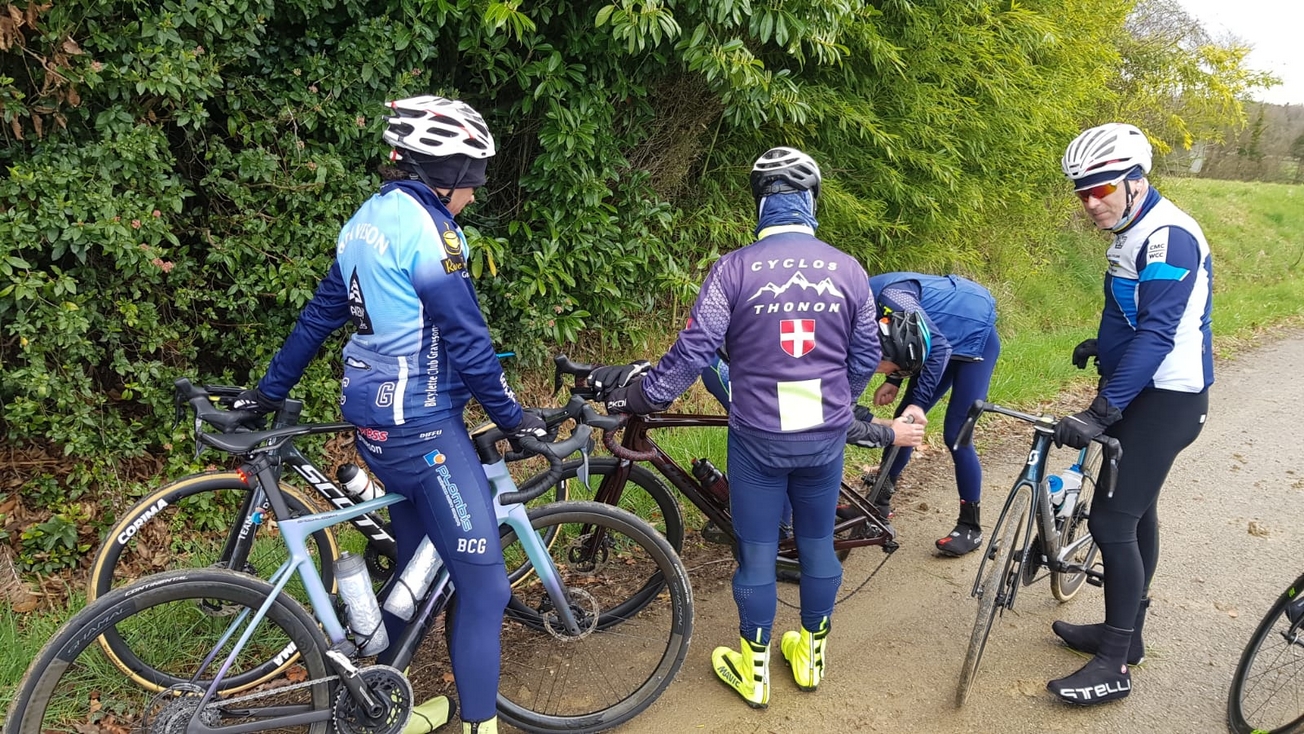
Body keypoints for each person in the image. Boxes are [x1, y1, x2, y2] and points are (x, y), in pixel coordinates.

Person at [233, 95, 546, 734]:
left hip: (374, 427)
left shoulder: (363, 222)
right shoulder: (432, 232)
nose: (475, 193)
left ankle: (377, 704)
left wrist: (267, 394)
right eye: (473, 178)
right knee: (488, 589)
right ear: (447, 172)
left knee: (414, 572)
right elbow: (468, 340)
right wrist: (515, 418)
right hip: (423, 428)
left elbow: (319, 317)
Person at [588, 147, 923, 708]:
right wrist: (837, 400)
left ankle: (755, 668)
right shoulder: (849, 269)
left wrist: (642, 395)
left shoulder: (733, 268)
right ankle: (811, 658)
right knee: (817, 546)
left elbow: (696, 349)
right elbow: (867, 352)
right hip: (823, 436)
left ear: (761, 204)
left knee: (758, 554)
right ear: (811, 201)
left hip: (758, 437)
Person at [1046, 122, 1211, 705]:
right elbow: (1134, 311)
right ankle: (1128, 636)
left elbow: (1160, 331)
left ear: (1137, 180)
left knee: (1111, 523)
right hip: (1145, 390)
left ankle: (1114, 664)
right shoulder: (1132, 229)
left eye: (1101, 189)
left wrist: (1101, 410)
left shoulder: (1168, 236)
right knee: (1137, 516)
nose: (1091, 202)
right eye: (1082, 193)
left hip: (1166, 400)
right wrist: (1104, 346)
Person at [866, 272, 1000, 557]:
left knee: (957, 434)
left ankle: (970, 526)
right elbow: (898, 338)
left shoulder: (892, 296)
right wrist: (894, 379)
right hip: (937, 341)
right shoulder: (861, 305)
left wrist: (917, 403)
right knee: (904, 419)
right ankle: (878, 503)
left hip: (974, 342)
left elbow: (937, 347)